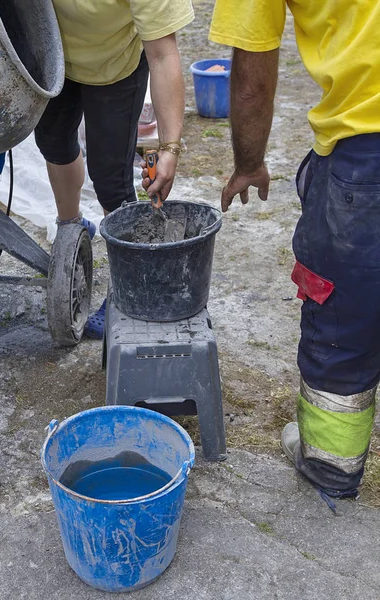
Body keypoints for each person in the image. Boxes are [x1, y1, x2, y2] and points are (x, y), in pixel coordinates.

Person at [209, 1, 380, 506]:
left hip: (365, 153)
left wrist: (248, 162)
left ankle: (330, 465)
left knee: (342, 323)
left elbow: (252, 73)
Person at [35, 0, 194, 338]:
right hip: (52, 52)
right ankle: (70, 229)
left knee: (110, 176)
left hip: (114, 64)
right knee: (52, 141)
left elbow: (164, 55)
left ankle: (124, 290)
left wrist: (169, 147)